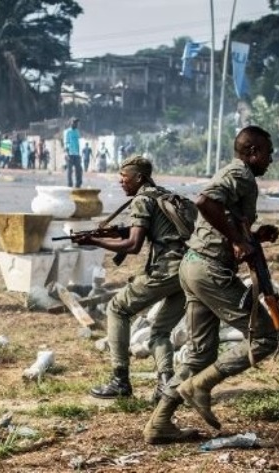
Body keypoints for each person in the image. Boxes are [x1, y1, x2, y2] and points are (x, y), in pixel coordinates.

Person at [143, 125, 279, 444]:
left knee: (200, 355)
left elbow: (222, 220)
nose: (270, 160)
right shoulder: (241, 174)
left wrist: (252, 238)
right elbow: (205, 202)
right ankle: (200, 386)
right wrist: (237, 240)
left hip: (194, 265)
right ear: (253, 152)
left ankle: (159, 423)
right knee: (265, 337)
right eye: (268, 154)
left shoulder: (238, 175)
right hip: (209, 270)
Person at [74, 155, 187, 403]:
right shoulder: (161, 194)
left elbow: (133, 245)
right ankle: (166, 386)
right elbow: (155, 229)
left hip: (167, 269)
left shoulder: (142, 199)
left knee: (117, 309)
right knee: (160, 330)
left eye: (124, 178)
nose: (121, 182)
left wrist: (93, 241)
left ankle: (120, 380)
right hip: (188, 271)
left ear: (139, 177)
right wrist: (117, 231)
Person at [63, 117, 82, 187]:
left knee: (79, 169)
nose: (76, 124)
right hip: (69, 154)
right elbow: (66, 142)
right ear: (71, 123)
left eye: (77, 123)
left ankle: (78, 184)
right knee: (70, 170)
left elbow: (77, 143)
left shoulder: (77, 131)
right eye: (74, 122)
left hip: (76, 154)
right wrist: (66, 154)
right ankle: (69, 184)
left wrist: (79, 154)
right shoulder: (67, 132)